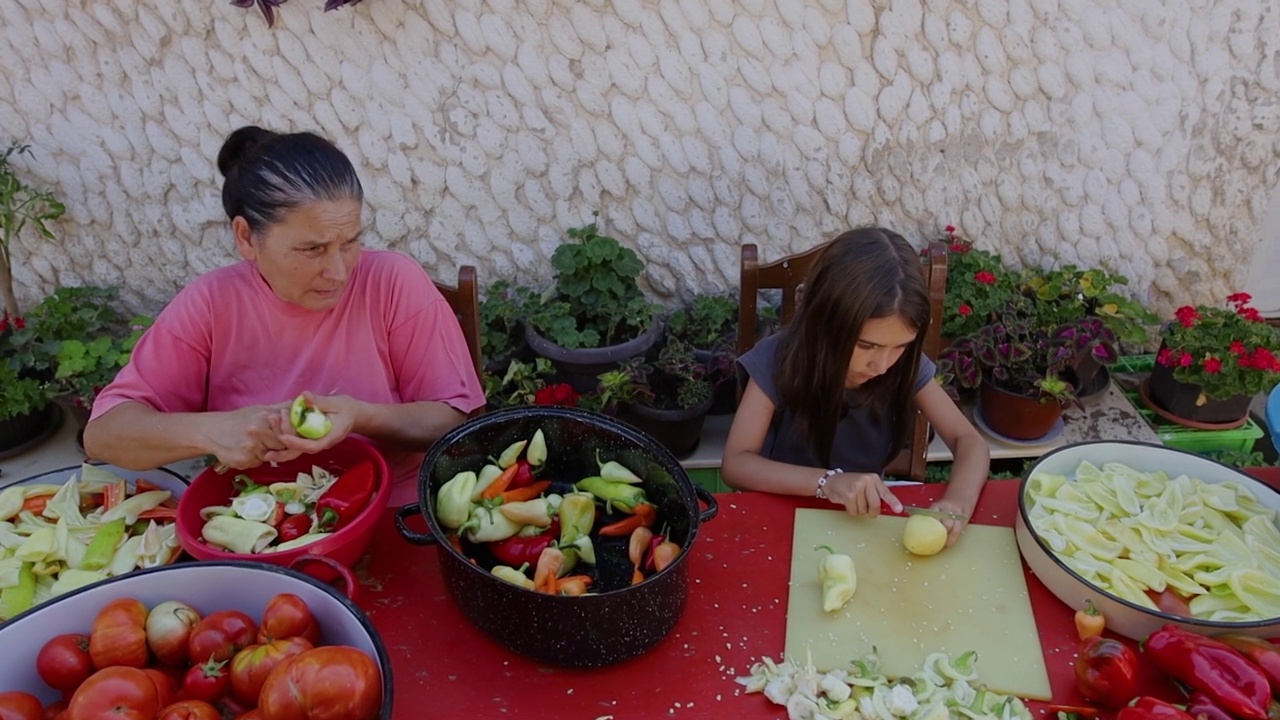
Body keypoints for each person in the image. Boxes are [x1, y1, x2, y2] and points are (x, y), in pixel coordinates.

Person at [83, 126, 485, 506]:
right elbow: (104, 434)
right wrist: (211, 430)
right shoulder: (211, 303)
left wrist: (362, 416)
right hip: (259, 519)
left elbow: (458, 421)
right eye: (312, 250)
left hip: (392, 511)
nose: (339, 272)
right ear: (246, 237)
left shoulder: (393, 281)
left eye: (350, 242)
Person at [721, 227, 989, 547]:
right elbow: (736, 464)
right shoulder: (779, 359)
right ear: (826, 322)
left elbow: (969, 441)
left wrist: (959, 499)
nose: (882, 365)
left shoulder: (902, 364)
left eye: (901, 346)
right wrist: (828, 482)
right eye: (866, 345)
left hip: (864, 521)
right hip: (784, 513)